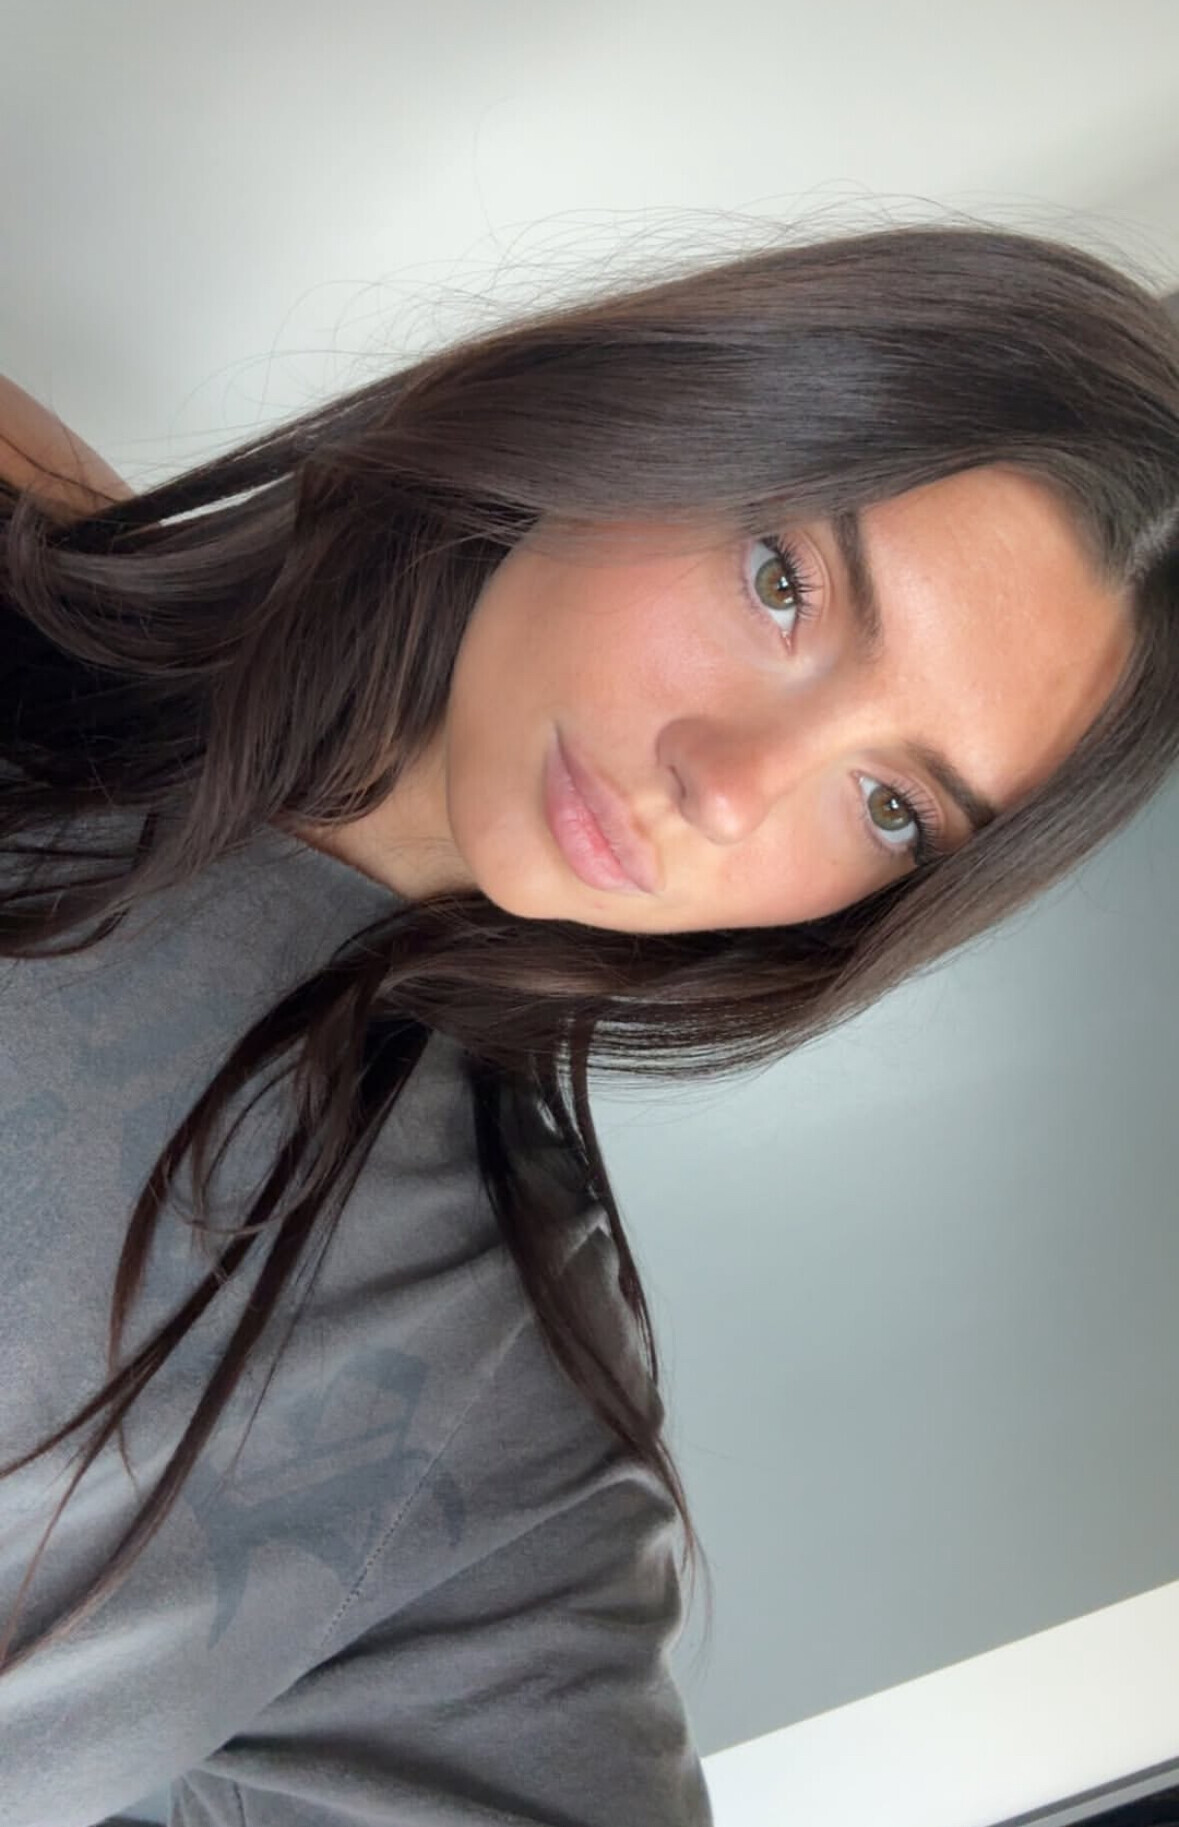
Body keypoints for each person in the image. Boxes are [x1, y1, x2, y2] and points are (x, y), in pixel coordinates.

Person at [0, 219, 1176, 1827]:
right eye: (786, 583)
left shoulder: (487, 1403)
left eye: (893, 807)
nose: (731, 787)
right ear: (668, 419)